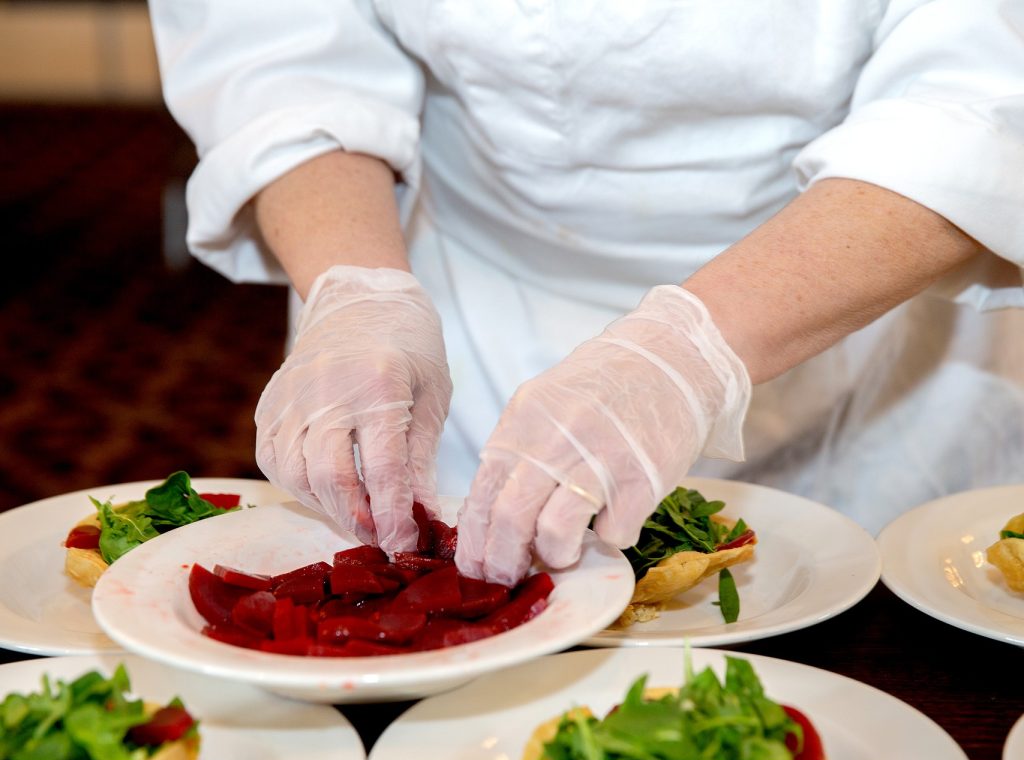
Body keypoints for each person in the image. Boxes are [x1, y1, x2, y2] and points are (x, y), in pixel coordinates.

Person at [148, 1, 1024, 585]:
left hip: (853, 295)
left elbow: (978, 104)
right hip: (465, 300)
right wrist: (360, 287)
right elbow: (276, 44)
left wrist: (688, 352)